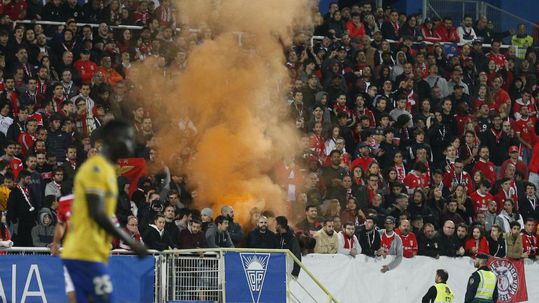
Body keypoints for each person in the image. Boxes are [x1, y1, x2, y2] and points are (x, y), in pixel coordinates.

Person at [61, 120, 148, 303]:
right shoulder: (95, 169)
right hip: (82, 252)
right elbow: (97, 213)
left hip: (94, 252)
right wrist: (131, 242)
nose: (131, 145)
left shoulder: (108, 170)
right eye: (128, 139)